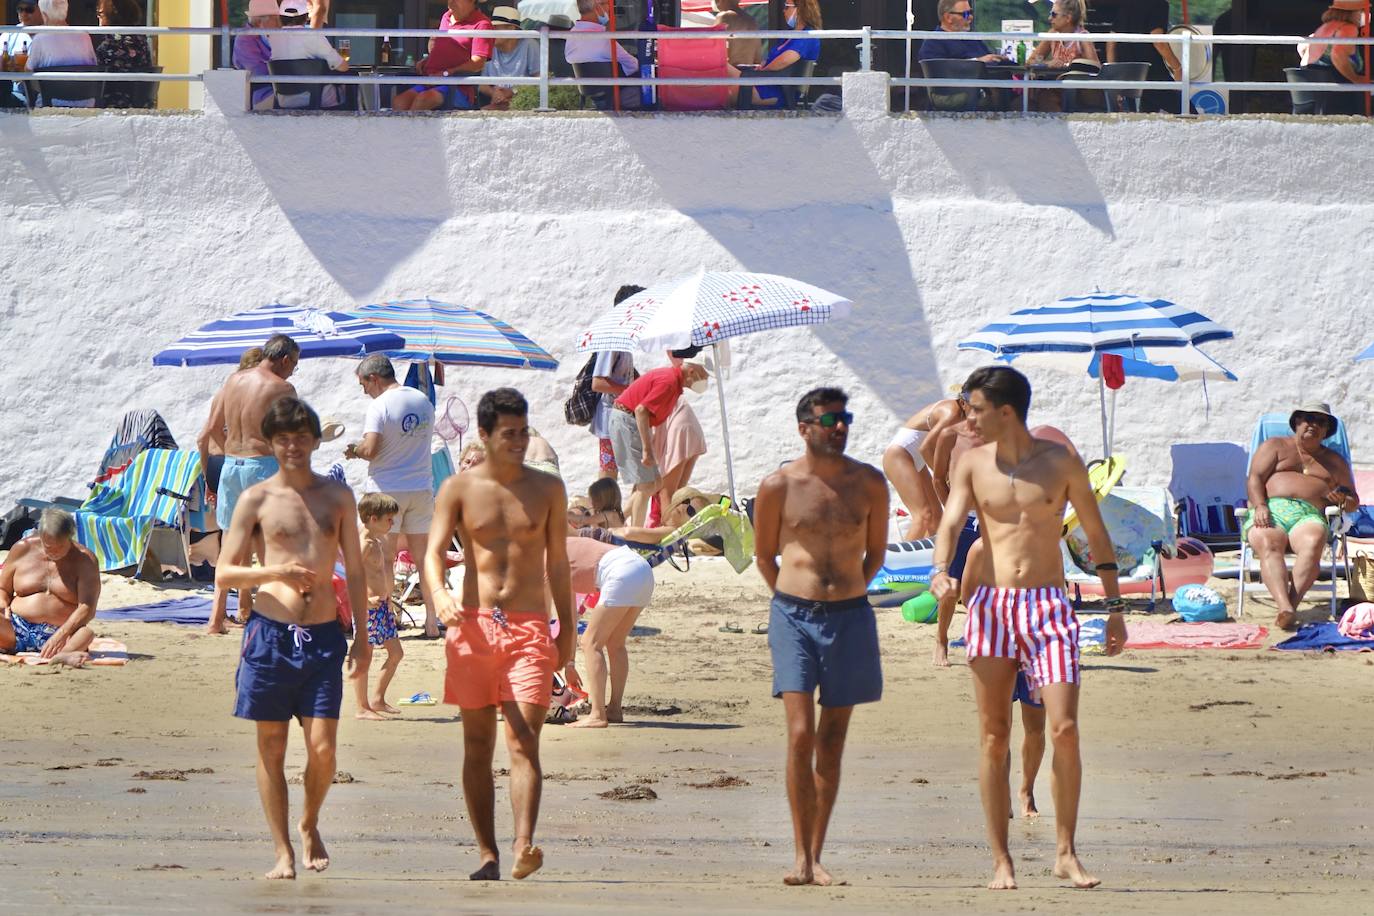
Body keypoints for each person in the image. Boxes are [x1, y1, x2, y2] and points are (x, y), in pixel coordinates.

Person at [930, 365, 1126, 891]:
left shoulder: (1059, 462)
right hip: (991, 606)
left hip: (1047, 605)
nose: (965, 419)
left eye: (973, 409)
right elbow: (950, 522)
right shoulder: (971, 463)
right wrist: (939, 573)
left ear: (1006, 411)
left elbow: (1096, 532)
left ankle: (1065, 852)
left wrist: (1114, 609)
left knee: (1063, 729)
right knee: (995, 737)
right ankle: (1001, 860)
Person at [423, 387, 574, 881]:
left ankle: (524, 845)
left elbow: (560, 565)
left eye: (523, 432)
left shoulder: (547, 489)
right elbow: (431, 554)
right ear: (483, 435)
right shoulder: (458, 489)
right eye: (508, 434)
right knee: (476, 745)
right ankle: (486, 852)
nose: (518, 441)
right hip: (473, 628)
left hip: (530, 628)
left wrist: (567, 630)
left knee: (524, 740)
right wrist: (441, 594)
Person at [217, 397, 368, 881]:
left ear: (315, 439)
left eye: (302, 437)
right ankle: (282, 849)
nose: (293, 446)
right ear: (271, 443)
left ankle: (309, 822)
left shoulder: (337, 497)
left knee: (323, 749)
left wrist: (364, 636)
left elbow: (358, 571)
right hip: (269, 635)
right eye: (283, 438)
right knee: (272, 746)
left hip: (324, 635)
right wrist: (275, 569)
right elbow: (223, 573)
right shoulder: (256, 499)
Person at [753, 387, 887, 887]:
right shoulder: (777, 486)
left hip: (851, 615)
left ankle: (816, 854)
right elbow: (765, 556)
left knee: (831, 741)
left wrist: (846, 591)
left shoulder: (869, 483)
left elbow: (875, 555)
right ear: (803, 427)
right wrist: (792, 598)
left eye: (845, 417)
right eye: (829, 418)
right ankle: (798, 856)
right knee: (800, 734)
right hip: (793, 616)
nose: (840, 426)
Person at [202, 333, 300, 635]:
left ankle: (216, 620)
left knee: (229, 546)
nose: (293, 371)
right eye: (294, 364)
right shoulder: (283, 388)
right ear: (284, 359)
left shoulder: (233, 381)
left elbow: (212, 430)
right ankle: (273, 619)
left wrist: (233, 452)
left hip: (232, 466)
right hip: (263, 465)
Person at [344, 355, 440, 639]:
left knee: (384, 558)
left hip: (388, 488)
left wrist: (354, 450)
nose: (364, 391)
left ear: (374, 378)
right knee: (424, 559)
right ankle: (432, 622)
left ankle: (388, 618)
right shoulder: (423, 400)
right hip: (421, 485)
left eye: (363, 384)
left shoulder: (380, 405)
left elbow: (371, 449)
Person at [1244, 403, 1357, 631]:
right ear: (1297, 422)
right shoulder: (1275, 446)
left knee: (1314, 542)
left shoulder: (1334, 461)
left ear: (1326, 430)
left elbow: (1353, 500)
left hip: (1309, 514)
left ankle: (1289, 608)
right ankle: (1285, 605)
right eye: (1308, 418)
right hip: (1272, 509)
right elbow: (1254, 478)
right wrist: (1260, 505)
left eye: (1321, 422)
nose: (1313, 425)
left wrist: (1342, 500)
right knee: (1269, 542)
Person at [562, 535, 656, 728]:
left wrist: (568, 663)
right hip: (642, 568)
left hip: (621, 572)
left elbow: (566, 619)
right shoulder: (561, 546)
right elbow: (570, 618)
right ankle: (614, 709)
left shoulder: (547, 559)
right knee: (615, 642)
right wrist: (569, 663)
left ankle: (597, 714)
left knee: (590, 642)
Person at [609, 361, 711, 527]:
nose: (705, 380)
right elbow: (641, 411)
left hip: (629, 421)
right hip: (627, 420)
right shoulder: (669, 382)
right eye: (704, 375)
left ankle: (615, 522)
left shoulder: (673, 384)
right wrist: (647, 450)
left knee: (654, 483)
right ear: (691, 371)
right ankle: (635, 536)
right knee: (646, 485)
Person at [0, 509, 99, 668]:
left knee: (86, 634)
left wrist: (61, 634)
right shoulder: (22, 549)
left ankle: (63, 655)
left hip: (61, 632)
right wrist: (3, 603)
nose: (54, 552)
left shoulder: (85, 560)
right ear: (40, 536)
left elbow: (87, 607)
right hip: (16, 627)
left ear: (70, 536)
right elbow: (3, 589)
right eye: (48, 546)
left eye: (60, 546)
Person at [351, 493, 404, 720]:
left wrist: (388, 597)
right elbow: (350, 576)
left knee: (396, 653)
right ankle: (362, 707)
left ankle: (378, 699)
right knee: (364, 655)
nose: (392, 524)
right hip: (367, 608)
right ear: (373, 518)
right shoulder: (363, 544)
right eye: (388, 520)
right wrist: (364, 601)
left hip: (382, 606)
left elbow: (378, 573)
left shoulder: (378, 541)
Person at [883, 396, 966, 540]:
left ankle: (925, 560)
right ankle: (900, 562)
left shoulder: (965, 414)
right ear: (964, 402)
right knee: (923, 516)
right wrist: (943, 476)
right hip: (899, 455)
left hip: (915, 459)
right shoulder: (953, 413)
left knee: (936, 518)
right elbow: (926, 447)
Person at [392, 0, 492, 112]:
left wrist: (447, 72)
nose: (451, 2)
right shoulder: (446, 16)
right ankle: (409, 129)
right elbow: (444, 48)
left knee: (423, 100)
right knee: (399, 102)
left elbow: (478, 63)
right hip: (430, 80)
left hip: (456, 86)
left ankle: (409, 129)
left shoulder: (482, 23)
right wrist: (428, 59)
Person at [649, 346, 708, 527]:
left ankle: (669, 531)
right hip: (690, 429)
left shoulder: (666, 377)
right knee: (677, 492)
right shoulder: (672, 376)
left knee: (667, 492)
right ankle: (672, 530)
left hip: (680, 429)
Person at [726, 0, 821, 108]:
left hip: (777, 90)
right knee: (722, 70)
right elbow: (775, 59)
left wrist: (763, 70)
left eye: (787, 7)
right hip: (767, 83)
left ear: (799, 9)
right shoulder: (791, 36)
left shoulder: (807, 36)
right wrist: (763, 66)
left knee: (724, 90)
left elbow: (784, 60)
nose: (783, 10)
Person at [589, 286, 641, 482]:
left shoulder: (623, 339)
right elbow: (598, 382)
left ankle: (608, 509)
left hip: (621, 415)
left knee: (617, 470)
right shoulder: (612, 340)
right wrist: (631, 391)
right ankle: (604, 511)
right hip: (610, 417)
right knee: (609, 471)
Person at [270, 0, 348, 109]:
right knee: (351, 85)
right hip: (315, 98)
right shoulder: (313, 36)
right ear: (306, 17)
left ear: (280, 17)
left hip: (284, 100)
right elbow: (342, 67)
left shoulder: (272, 38)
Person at [1106, 0, 1179, 113]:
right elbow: (1158, 41)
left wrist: (1115, 79)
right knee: (1191, 116)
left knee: (1146, 119)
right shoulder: (1159, 4)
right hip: (1153, 75)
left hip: (1128, 76)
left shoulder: (1126, 4)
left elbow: (1111, 44)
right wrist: (1178, 68)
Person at [1299, 1, 1368, 115]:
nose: (1366, 14)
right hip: (1334, 94)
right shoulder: (1348, 28)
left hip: (1308, 86)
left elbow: (1302, 47)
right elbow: (1337, 54)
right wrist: (1355, 78)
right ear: (1352, 12)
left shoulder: (1324, 27)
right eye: (1362, 11)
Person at [24, 0, 97, 108]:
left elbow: (28, 72)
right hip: (86, 103)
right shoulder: (84, 35)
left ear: (44, 15)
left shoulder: (40, 38)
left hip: (51, 104)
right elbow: (94, 65)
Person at [94, 0, 152, 109]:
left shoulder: (107, 46)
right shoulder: (142, 41)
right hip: (141, 105)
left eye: (100, 13)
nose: (98, 17)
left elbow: (97, 85)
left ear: (113, 14)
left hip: (113, 108)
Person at [479, 6, 536, 110]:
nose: (491, 32)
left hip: (525, 101)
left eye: (495, 28)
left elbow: (540, 79)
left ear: (511, 29)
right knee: (483, 114)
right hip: (499, 102)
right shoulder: (489, 46)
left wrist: (513, 92)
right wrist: (494, 93)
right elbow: (482, 84)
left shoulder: (529, 44)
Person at [565, 0, 638, 76]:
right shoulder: (604, 41)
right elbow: (633, 66)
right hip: (613, 86)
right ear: (598, 7)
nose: (610, 8)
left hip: (585, 86)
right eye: (607, 3)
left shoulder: (571, 36)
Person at [917, 0, 1003, 64]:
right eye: (965, 14)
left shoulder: (974, 39)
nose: (970, 17)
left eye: (971, 12)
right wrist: (978, 62)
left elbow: (990, 60)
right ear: (948, 17)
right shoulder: (933, 43)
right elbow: (941, 71)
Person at [233, 0, 279, 111]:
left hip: (278, 90)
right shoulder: (245, 39)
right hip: (263, 94)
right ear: (259, 22)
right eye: (275, 19)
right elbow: (259, 73)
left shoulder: (269, 35)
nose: (279, 24)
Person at [1027, 0, 1097, 69]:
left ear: (1068, 18)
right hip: (1056, 79)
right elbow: (1031, 61)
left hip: (1075, 79)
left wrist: (1073, 66)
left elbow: (1096, 68)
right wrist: (1048, 63)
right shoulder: (1053, 34)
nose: (1049, 18)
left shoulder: (1082, 38)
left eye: (1054, 14)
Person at [2, 0, 42, 108]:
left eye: (29, 10)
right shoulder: (9, 34)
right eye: (20, 9)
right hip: (15, 93)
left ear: (40, 10)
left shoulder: (50, 34)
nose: (23, 14)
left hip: (41, 94)